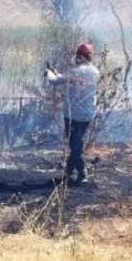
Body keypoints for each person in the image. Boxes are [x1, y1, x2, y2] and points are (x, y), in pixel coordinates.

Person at [44, 43, 100, 185]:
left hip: (74, 116)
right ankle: (76, 175)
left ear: (81, 56)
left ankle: (74, 175)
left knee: (76, 147)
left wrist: (49, 73)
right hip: (88, 115)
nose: (75, 58)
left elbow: (54, 81)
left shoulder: (77, 71)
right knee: (77, 145)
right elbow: (70, 80)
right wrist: (57, 73)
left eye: (77, 55)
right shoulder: (95, 71)